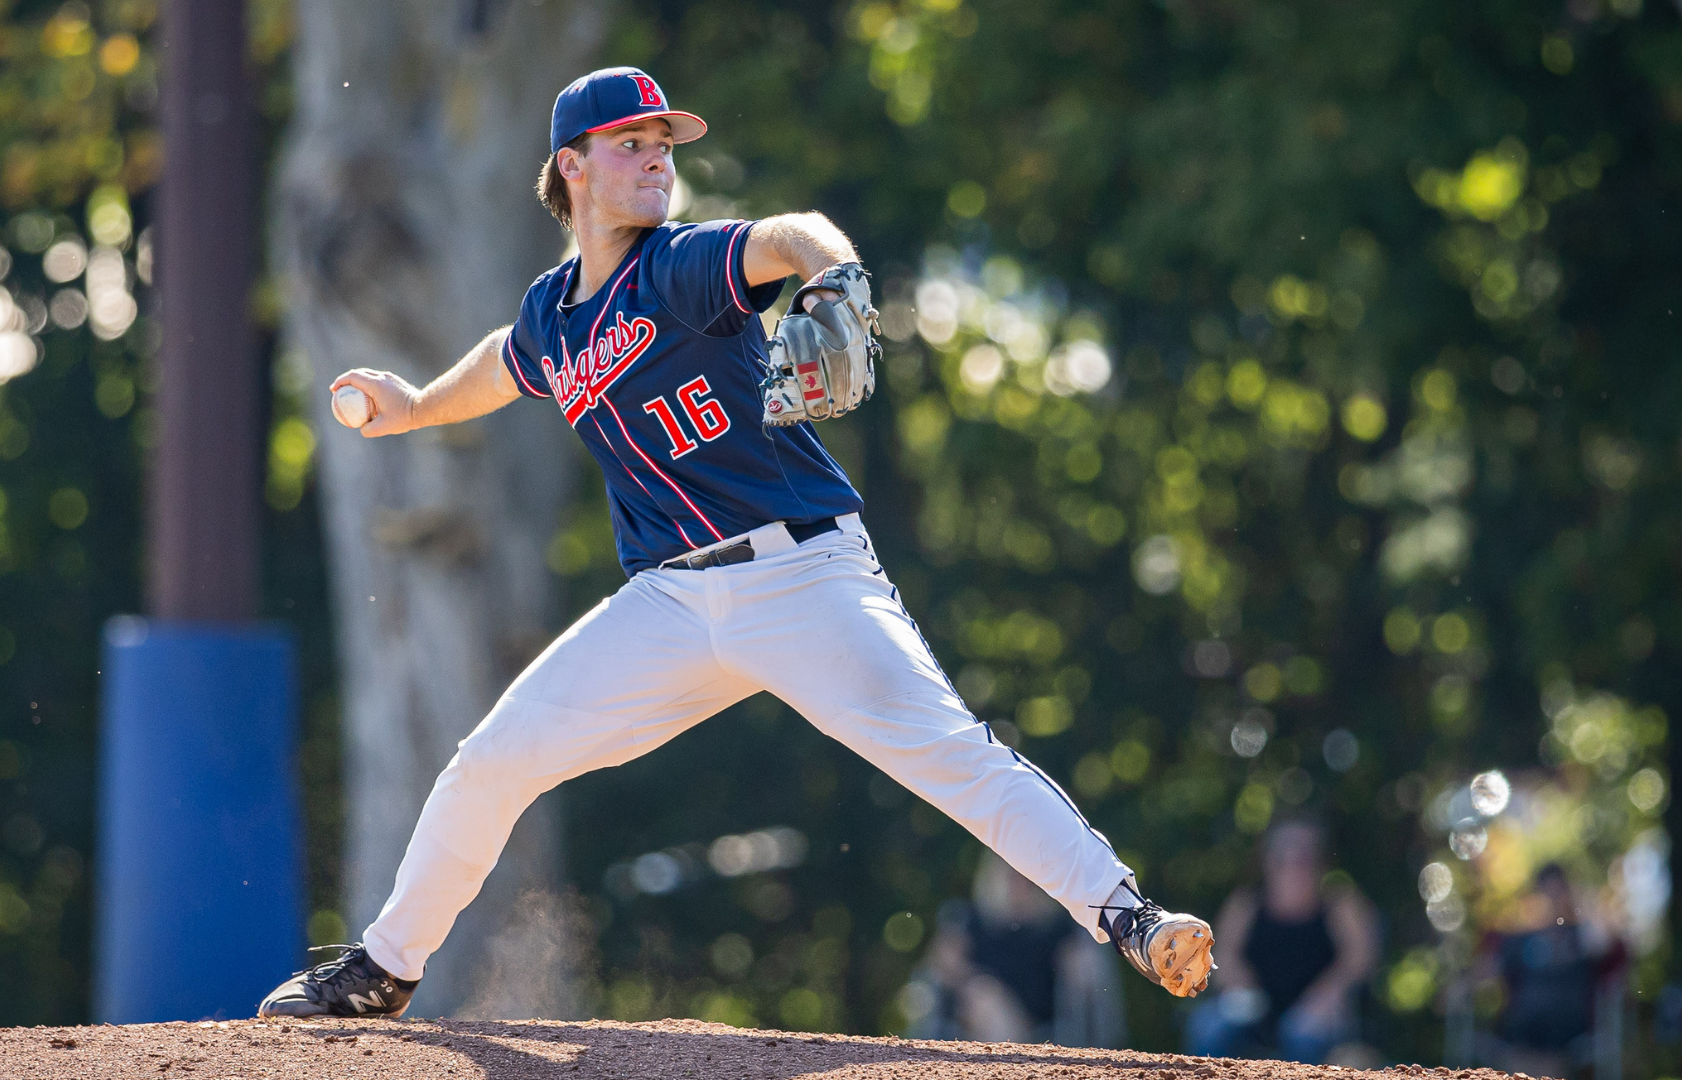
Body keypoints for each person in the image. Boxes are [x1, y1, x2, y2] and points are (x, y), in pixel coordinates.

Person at [255, 66, 1214, 1019]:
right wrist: (417, 406)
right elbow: (507, 363)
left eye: (664, 146)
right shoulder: (556, 313)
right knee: (490, 760)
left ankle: (1132, 917)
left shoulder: (679, 265)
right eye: (632, 144)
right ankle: (383, 969)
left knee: (952, 752)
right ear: (572, 167)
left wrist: (830, 272)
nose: (656, 161)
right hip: (670, 605)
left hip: (804, 574)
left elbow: (789, 236)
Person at [1185, 819, 1378, 1063]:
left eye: (1303, 858)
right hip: (1255, 1010)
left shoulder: (1340, 904)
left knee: (1303, 1036)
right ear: (1266, 861)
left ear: (1321, 862)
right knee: (1210, 1025)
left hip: (1320, 1014)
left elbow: (1359, 960)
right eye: (1282, 857)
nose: (1292, 866)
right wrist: (1240, 985)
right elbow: (1221, 957)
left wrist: (1328, 995)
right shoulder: (1245, 904)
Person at [904, 853, 1125, 1047]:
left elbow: (1087, 980)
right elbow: (939, 971)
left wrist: (1082, 967)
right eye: (1013, 876)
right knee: (984, 998)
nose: (1020, 884)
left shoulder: (1058, 928)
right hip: (977, 1016)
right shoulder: (971, 923)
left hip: (1040, 1023)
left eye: (1026, 878)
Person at [1470, 864, 1628, 1078]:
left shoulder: (1581, 935)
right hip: (1523, 1024)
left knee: (1545, 1056)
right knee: (1519, 1050)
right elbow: (1490, 967)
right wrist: (1462, 986)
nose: (1552, 899)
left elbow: (1604, 947)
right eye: (1546, 892)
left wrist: (1586, 909)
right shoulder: (1520, 939)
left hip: (1567, 1026)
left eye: (1558, 892)